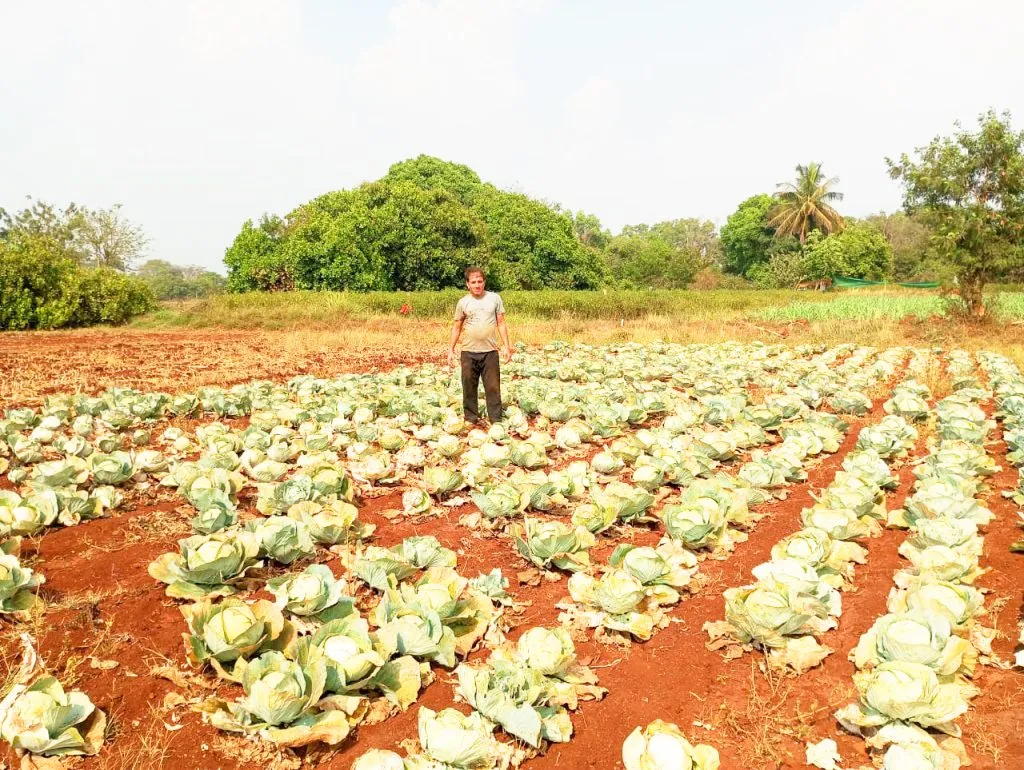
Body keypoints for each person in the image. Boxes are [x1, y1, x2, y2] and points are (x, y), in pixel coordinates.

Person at [447, 267, 512, 424]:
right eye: (473, 282)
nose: (477, 285)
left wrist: (507, 346)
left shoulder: (495, 299)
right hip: (468, 352)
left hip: (490, 352)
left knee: (493, 387)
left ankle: (496, 420)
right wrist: (451, 349)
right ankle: (470, 419)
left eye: (480, 281)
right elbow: (457, 327)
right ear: (468, 284)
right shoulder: (463, 302)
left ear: (484, 282)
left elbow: (501, 323)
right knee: (469, 386)